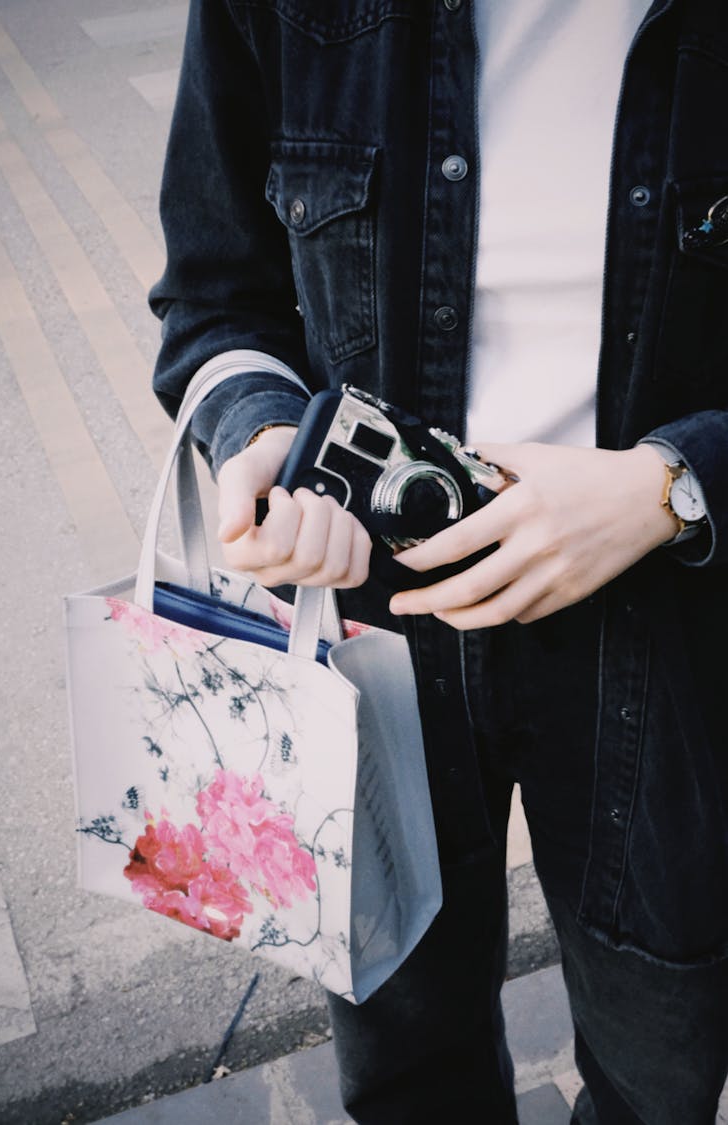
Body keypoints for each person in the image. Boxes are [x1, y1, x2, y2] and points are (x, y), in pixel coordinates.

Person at [149, 1, 728, 1121]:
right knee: (405, 1066)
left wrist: (670, 482)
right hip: (373, 624)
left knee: (661, 1067)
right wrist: (264, 433)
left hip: (665, 622)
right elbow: (217, 293)